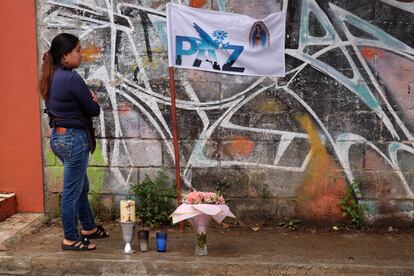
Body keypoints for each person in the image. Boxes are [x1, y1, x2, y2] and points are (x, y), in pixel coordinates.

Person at [39, 33, 109, 251]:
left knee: (81, 185)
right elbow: (93, 110)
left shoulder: (52, 75)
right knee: (72, 191)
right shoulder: (71, 78)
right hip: (73, 139)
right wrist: (93, 99)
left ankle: (88, 227)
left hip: (59, 138)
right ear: (65, 56)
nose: (81, 54)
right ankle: (70, 237)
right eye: (78, 50)